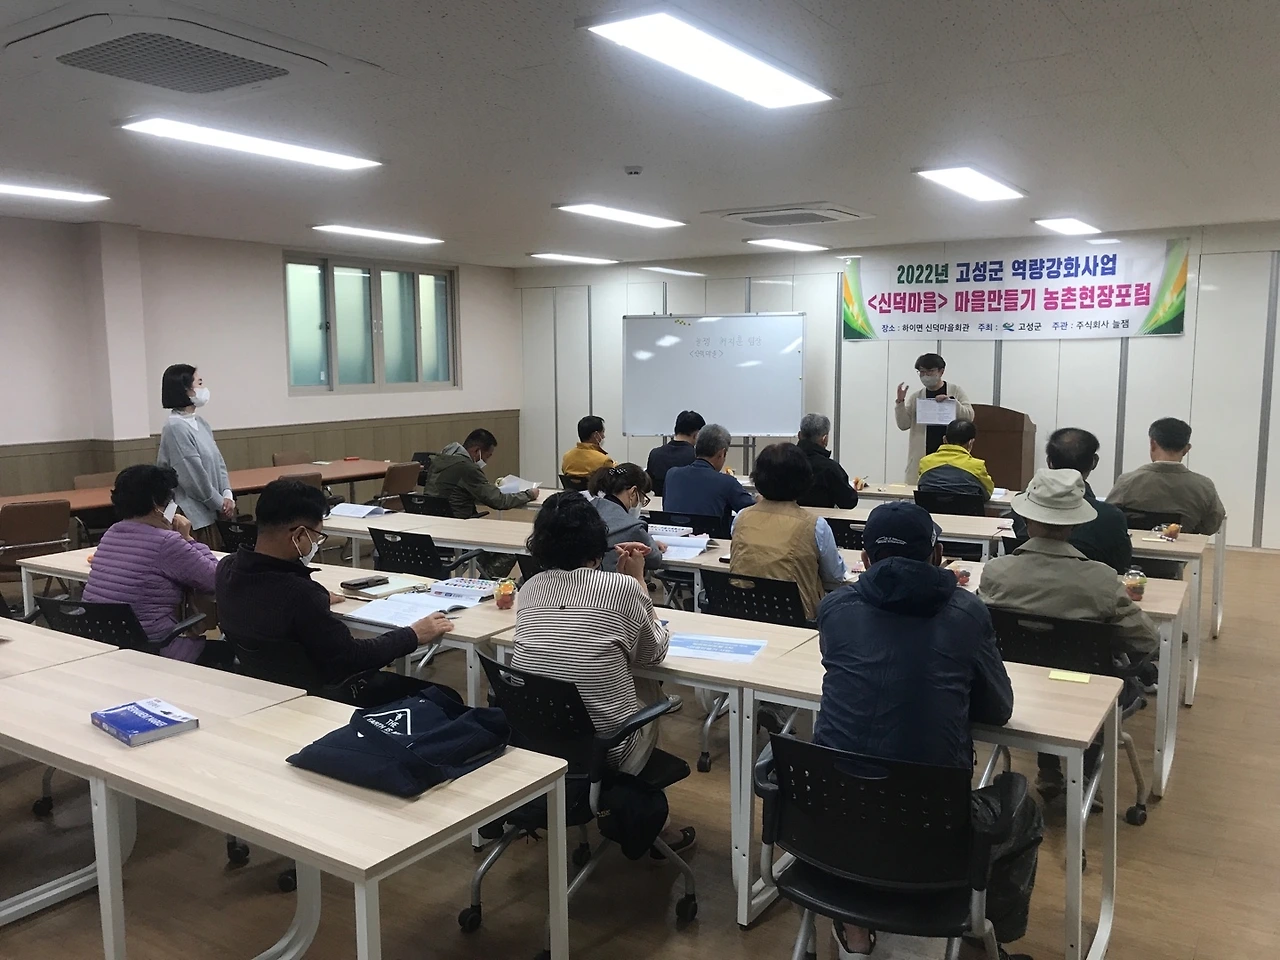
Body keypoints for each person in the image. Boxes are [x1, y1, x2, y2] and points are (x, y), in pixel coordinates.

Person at [813, 501, 1040, 960]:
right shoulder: (967, 612)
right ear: (937, 555)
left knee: (861, 773)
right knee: (1023, 805)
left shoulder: (834, 609)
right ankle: (985, 930)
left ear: (865, 560)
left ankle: (854, 930)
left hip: (831, 822)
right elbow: (999, 709)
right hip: (934, 830)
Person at [510, 492, 694, 853]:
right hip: (608, 749)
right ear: (598, 542)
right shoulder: (621, 588)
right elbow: (654, 653)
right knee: (642, 680)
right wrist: (638, 583)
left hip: (539, 740)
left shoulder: (530, 589)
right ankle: (653, 821)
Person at [978, 468, 1158, 800]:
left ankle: (1049, 769)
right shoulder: (1102, 580)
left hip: (1015, 685)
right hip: (1086, 692)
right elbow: (1147, 640)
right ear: (1075, 524)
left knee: (1045, 668)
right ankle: (1087, 774)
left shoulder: (995, 573)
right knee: (1091, 677)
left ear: (1027, 520)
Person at [216, 479, 454, 705]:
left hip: (270, 690)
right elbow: (352, 657)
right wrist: (412, 635)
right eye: (316, 537)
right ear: (298, 535)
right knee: (447, 697)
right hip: (330, 697)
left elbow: (276, 598)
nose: (316, 544)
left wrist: (316, 596)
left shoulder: (227, 568)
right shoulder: (300, 595)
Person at [82, 465, 231, 666]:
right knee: (227, 653)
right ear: (156, 504)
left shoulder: (111, 533)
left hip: (107, 646)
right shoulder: (167, 542)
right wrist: (187, 538)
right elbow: (216, 579)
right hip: (155, 650)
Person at [731, 442, 847, 621]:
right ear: (804, 479)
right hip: (798, 620)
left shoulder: (740, 518)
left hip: (744, 613)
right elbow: (835, 575)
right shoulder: (816, 526)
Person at [1009, 428, 1131, 574]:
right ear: (1094, 462)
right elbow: (1121, 567)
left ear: (1049, 462)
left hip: (1028, 579)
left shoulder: (1023, 505)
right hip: (1090, 585)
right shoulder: (1111, 517)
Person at [423, 428, 541, 579]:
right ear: (476, 451)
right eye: (487, 456)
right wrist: (529, 494)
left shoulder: (441, 461)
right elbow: (498, 501)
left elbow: (455, 493)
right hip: (459, 530)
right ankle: (486, 583)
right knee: (512, 545)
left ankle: (482, 577)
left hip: (433, 529)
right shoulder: (467, 468)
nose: (486, 461)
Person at [156, 363, 234, 545]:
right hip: (191, 516)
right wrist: (220, 503)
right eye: (199, 383)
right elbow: (193, 478)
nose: (203, 388)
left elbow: (219, 462)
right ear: (185, 389)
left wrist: (227, 494)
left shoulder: (200, 422)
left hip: (210, 510)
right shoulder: (175, 427)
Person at [1108, 417, 1226, 535]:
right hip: (1183, 546)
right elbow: (1212, 525)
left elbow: (1107, 517)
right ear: (1186, 449)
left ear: (1152, 444)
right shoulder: (1204, 486)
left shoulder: (1126, 482)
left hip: (1133, 546)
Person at [894, 352, 975, 482]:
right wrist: (900, 402)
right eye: (922, 372)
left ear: (941, 371)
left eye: (930, 371)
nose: (926, 375)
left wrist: (952, 403)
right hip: (923, 456)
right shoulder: (916, 397)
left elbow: (969, 417)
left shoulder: (955, 391)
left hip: (950, 456)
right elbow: (903, 424)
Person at [662, 423, 756, 531]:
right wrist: (761, 501)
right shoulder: (727, 482)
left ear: (696, 448)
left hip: (673, 538)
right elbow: (753, 513)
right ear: (721, 453)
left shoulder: (672, 475)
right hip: (713, 540)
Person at [589, 464, 664, 573]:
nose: (639, 503)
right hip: (612, 582)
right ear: (633, 492)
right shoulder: (632, 527)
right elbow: (655, 560)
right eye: (641, 497)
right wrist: (650, 542)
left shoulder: (587, 507)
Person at [918, 419, 995, 500]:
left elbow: (921, 488)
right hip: (965, 508)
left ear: (944, 439)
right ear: (971, 442)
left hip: (931, 508)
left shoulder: (925, 462)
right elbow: (988, 492)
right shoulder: (977, 466)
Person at [795, 413, 858, 509]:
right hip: (822, 518)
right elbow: (848, 502)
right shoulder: (829, 468)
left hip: (786, 517)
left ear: (799, 435)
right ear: (824, 439)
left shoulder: (783, 461)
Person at [646, 410, 705, 496]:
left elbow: (648, 485)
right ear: (696, 435)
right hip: (687, 503)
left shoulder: (655, 454)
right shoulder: (697, 457)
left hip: (659, 504)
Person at [561, 415, 615, 480]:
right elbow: (610, 482)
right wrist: (613, 467)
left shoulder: (567, 457)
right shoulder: (604, 461)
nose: (603, 436)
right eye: (602, 432)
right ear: (596, 435)